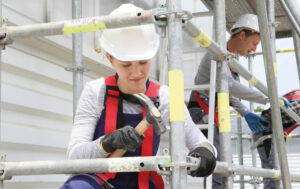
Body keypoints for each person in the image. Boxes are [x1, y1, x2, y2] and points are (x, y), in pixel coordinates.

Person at [60, 4, 217, 189]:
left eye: (143, 62)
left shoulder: (165, 97)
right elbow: (74, 157)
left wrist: (204, 155)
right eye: (126, 65)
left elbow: (201, 143)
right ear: (110, 59)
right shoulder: (95, 92)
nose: (136, 72)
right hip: (98, 184)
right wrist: (107, 143)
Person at [188, 14, 274, 188]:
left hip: (213, 111)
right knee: (218, 165)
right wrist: (268, 97)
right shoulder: (216, 55)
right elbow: (229, 85)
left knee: (224, 164)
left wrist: (246, 112)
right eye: (254, 43)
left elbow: (229, 93)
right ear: (242, 35)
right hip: (202, 112)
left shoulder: (231, 61)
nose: (254, 49)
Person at [253, 89, 299, 189]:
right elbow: (274, 114)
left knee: (278, 170)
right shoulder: (298, 103)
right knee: (272, 170)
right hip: (266, 130)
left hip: (276, 131)